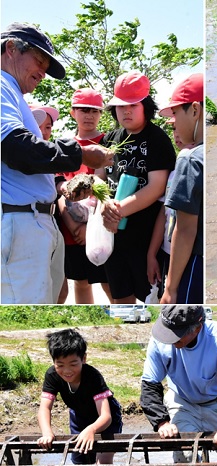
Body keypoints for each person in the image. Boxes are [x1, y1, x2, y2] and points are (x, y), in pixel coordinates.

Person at [1, 22, 114, 304]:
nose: (42, 73)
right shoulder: (2, 85)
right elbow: (17, 150)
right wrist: (83, 154)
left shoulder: (13, 93)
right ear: (11, 49)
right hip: (18, 220)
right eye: (39, 61)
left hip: (32, 220)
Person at [140, 304, 217, 466]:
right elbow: (149, 384)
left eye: (176, 335)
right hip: (182, 401)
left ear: (197, 328)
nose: (169, 340)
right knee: (184, 457)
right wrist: (162, 422)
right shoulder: (159, 342)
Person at [95, 70, 176, 303]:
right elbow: (99, 176)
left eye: (133, 105)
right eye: (121, 106)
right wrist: (105, 203)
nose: (126, 111)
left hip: (144, 237)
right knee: (120, 295)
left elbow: (156, 187)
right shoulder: (109, 139)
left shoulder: (157, 140)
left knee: (147, 296)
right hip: (111, 234)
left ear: (146, 106)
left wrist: (117, 210)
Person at [37, 328, 123, 466]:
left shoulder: (93, 376)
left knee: (103, 463)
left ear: (83, 358)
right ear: (53, 362)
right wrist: (47, 432)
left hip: (106, 419)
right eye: (60, 365)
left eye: (73, 364)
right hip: (79, 417)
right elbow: (45, 407)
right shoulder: (52, 375)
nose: (67, 371)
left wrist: (91, 430)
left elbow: (106, 416)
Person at [55, 88, 113, 305]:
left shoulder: (108, 142)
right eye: (83, 110)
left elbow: (107, 189)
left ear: (101, 114)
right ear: (73, 113)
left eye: (94, 111)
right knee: (80, 281)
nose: (89, 115)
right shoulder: (64, 147)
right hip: (73, 230)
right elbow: (59, 189)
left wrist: (90, 229)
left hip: (100, 227)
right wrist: (74, 228)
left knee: (108, 281)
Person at [158, 73, 204, 304]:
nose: (174, 122)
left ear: (195, 110)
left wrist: (170, 287)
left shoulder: (190, 159)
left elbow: (185, 230)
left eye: (176, 113)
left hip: (195, 263)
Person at [146, 127, 194, 300]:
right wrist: (152, 254)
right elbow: (163, 214)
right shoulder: (173, 172)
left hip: (187, 253)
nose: (177, 133)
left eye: (180, 126)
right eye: (173, 129)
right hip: (167, 252)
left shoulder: (195, 166)